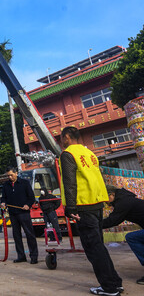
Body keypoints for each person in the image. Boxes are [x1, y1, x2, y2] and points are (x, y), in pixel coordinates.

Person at [60, 126, 122, 296]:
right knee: (99, 246)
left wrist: (70, 207)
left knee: (94, 249)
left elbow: (69, 182)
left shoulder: (68, 154)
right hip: (97, 204)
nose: (61, 141)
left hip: (83, 206)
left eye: (61, 138)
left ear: (66, 137)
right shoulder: (90, 154)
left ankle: (109, 287)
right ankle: (115, 282)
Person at [102, 184, 144, 285]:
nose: (106, 203)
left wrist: (94, 224)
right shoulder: (125, 199)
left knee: (132, 238)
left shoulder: (123, 202)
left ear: (112, 195)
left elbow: (113, 220)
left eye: (105, 199)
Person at [0, 166, 38, 264]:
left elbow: (31, 197)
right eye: (8, 176)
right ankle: (21, 256)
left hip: (24, 213)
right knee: (16, 236)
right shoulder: (6, 185)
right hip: (13, 214)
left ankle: (34, 256)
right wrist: (3, 203)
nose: (10, 177)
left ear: (16, 173)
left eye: (11, 175)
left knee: (29, 234)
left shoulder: (24, 183)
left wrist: (28, 205)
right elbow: (3, 198)